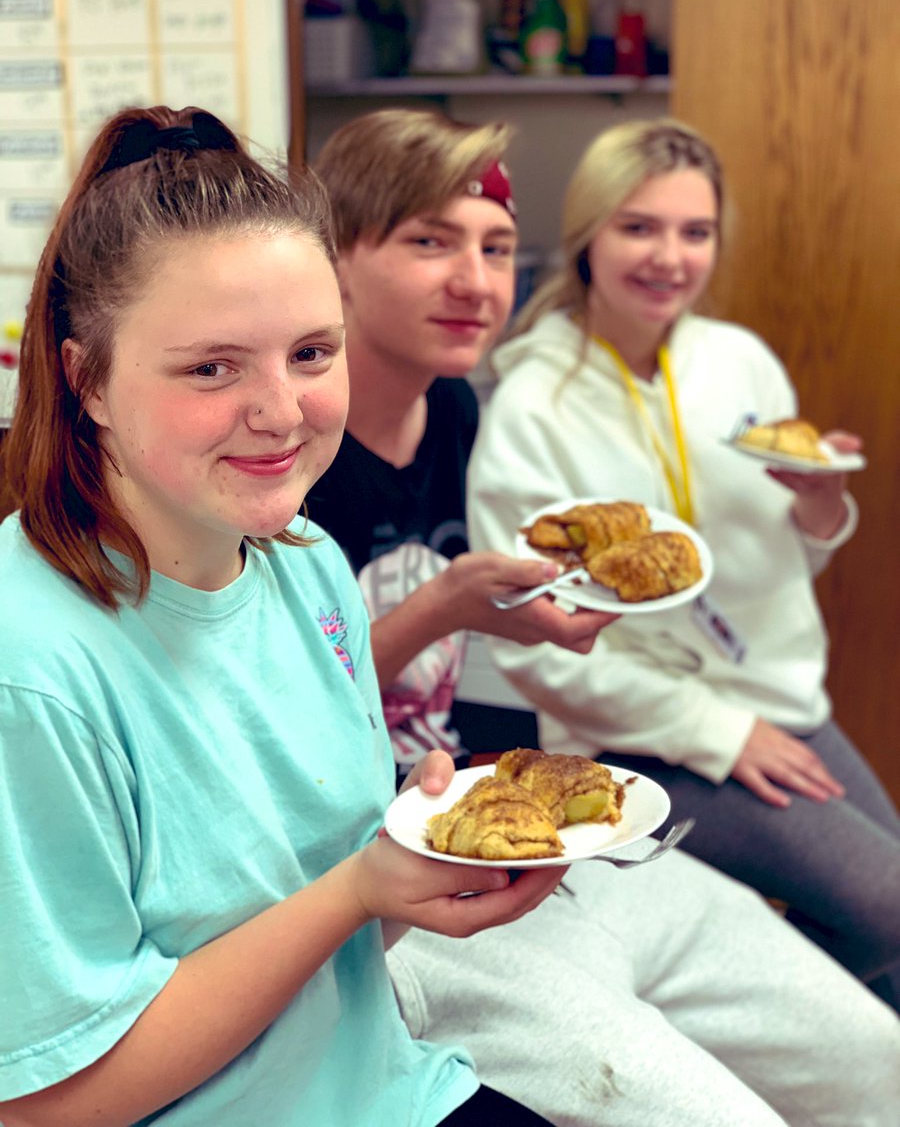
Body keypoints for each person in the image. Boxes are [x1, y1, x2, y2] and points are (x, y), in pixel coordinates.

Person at [307, 105, 900, 1127]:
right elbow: (274, 701)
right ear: (334, 259)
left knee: (874, 1052)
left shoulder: (454, 408)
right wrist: (458, 607)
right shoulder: (297, 445)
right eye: (429, 242)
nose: (476, 281)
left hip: (512, 816)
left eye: (495, 248)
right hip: (386, 884)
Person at [0, 104, 565, 1127]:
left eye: (312, 353)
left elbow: (317, 943)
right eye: (213, 367)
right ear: (86, 379)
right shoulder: (28, 670)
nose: (281, 410)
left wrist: (412, 872)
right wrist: (358, 892)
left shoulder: (306, 568)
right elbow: (44, 1104)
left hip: (388, 1090)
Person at [466, 116, 900, 1012]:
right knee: (888, 908)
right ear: (589, 235)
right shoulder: (532, 405)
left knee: (882, 921)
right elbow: (533, 649)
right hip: (642, 740)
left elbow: (779, 550)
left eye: (694, 232)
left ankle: (787, 1051)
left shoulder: (738, 362)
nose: (670, 257)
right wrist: (718, 733)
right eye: (640, 227)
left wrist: (821, 510)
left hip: (781, 704)